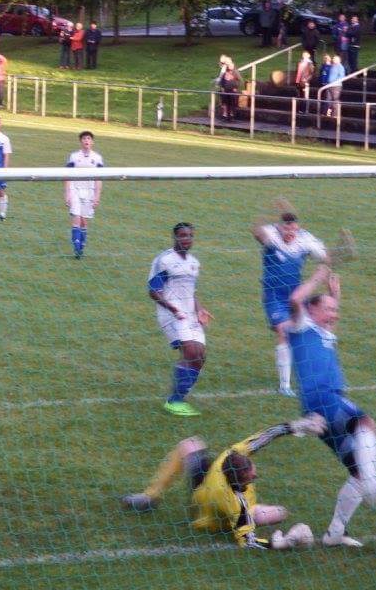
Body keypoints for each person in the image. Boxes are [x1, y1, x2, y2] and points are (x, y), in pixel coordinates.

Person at [281, 265, 376, 547]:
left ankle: (335, 533)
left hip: (320, 408)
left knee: (356, 471)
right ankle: (375, 490)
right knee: (366, 424)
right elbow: (296, 300)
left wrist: (333, 296)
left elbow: (328, 324)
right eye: (328, 309)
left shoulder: (324, 333)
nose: (334, 314)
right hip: (325, 400)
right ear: (312, 311)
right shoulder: (300, 326)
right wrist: (317, 278)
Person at [120, 413, 327, 550]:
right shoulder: (234, 501)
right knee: (277, 513)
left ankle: (150, 496)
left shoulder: (232, 455)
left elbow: (264, 437)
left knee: (190, 444)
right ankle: (151, 497)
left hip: (206, 484)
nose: (255, 475)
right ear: (238, 482)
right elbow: (248, 542)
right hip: (206, 515)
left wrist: (297, 426)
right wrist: (282, 542)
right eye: (251, 477)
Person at [252, 205, 328, 397]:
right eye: (287, 229)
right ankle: (284, 386)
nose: (291, 233)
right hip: (273, 296)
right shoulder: (271, 234)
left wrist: (326, 261)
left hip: (295, 297)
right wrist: (265, 214)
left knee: (303, 336)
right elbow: (257, 233)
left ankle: (309, 376)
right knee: (284, 332)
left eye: (294, 229)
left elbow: (325, 257)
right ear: (280, 227)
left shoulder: (305, 239)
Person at [148, 222, 211, 416]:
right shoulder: (164, 260)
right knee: (190, 351)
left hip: (189, 313)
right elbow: (153, 291)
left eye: (190, 236)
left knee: (200, 356)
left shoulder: (194, 263)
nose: (187, 239)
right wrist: (172, 308)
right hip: (170, 313)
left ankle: (179, 398)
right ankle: (174, 401)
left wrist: (200, 310)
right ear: (175, 238)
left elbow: (192, 293)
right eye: (182, 236)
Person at [65, 131, 103, 259]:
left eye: (89, 139)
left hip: (89, 191)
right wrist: (67, 193)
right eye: (84, 139)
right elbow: (67, 175)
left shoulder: (97, 158)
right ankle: (76, 248)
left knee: (84, 221)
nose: (86, 141)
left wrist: (97, 196)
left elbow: (99, 178)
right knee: (76, 216)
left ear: (92, 142)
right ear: (81, 141)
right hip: (75, 188)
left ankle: (81, 246)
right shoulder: (74, 156)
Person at [216, 55, 240, 121]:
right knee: (225, 103)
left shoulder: (235, 72)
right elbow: (222, 80)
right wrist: (222, 87)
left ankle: (232, 115)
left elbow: (238, 80)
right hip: (225, 90)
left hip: (232, 91)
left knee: (232, 103)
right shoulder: (224, 72)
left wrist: (235, 87)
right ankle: (225, 115)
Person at [324, 54, 346, 118]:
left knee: (335, 100)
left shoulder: (340, 67)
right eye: (333, 58)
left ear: (339, 60)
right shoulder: (331, 66)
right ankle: (327, 113)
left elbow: (341, 76)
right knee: (328, 99)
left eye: (335, 59)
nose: (333, 60)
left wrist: (334, 82)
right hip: (329, 85)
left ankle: (335, 114)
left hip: (336, 86)